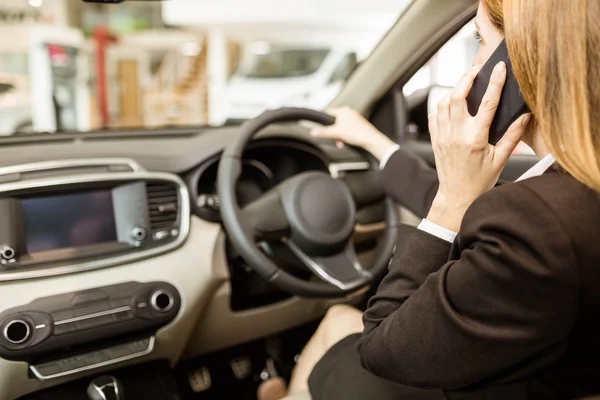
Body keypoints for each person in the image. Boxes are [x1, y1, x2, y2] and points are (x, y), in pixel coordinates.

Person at [258, 0, 600, 399]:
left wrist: (453, 196)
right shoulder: (568, 196)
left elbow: (380, 348)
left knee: (337, 325)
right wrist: (375, 143)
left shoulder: (536, 223)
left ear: (522, 57)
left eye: (480, 41)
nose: (474, 65)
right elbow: (471, 207)